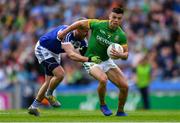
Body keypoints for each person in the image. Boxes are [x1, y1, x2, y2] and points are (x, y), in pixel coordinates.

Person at [58, 7, 129, 116]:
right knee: (103, 79)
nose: (116, 20)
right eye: (114, 17)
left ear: (121, 19)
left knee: (125, 86)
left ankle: (120, 111)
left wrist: (120, 55)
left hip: (106, 61)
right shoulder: (98, 24)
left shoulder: (121, 35)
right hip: (91, 60)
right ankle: (103, 104)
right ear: (109, 16)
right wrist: (65, 32)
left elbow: (126, 55)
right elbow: (79, 23)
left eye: (119, 18)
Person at [28, 23, 102, 116]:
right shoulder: (67, 35)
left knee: (49, 82)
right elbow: (71, 55)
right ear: (77, 29)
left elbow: (86, 55)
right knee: (60, 74)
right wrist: (89, 59)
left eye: (87, 31)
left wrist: (97, 60)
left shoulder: (83, 41)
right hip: (43, 48)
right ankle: (49, 94)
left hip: (55, 53)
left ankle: (34, 107)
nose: (86, 33)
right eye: (85, 31)